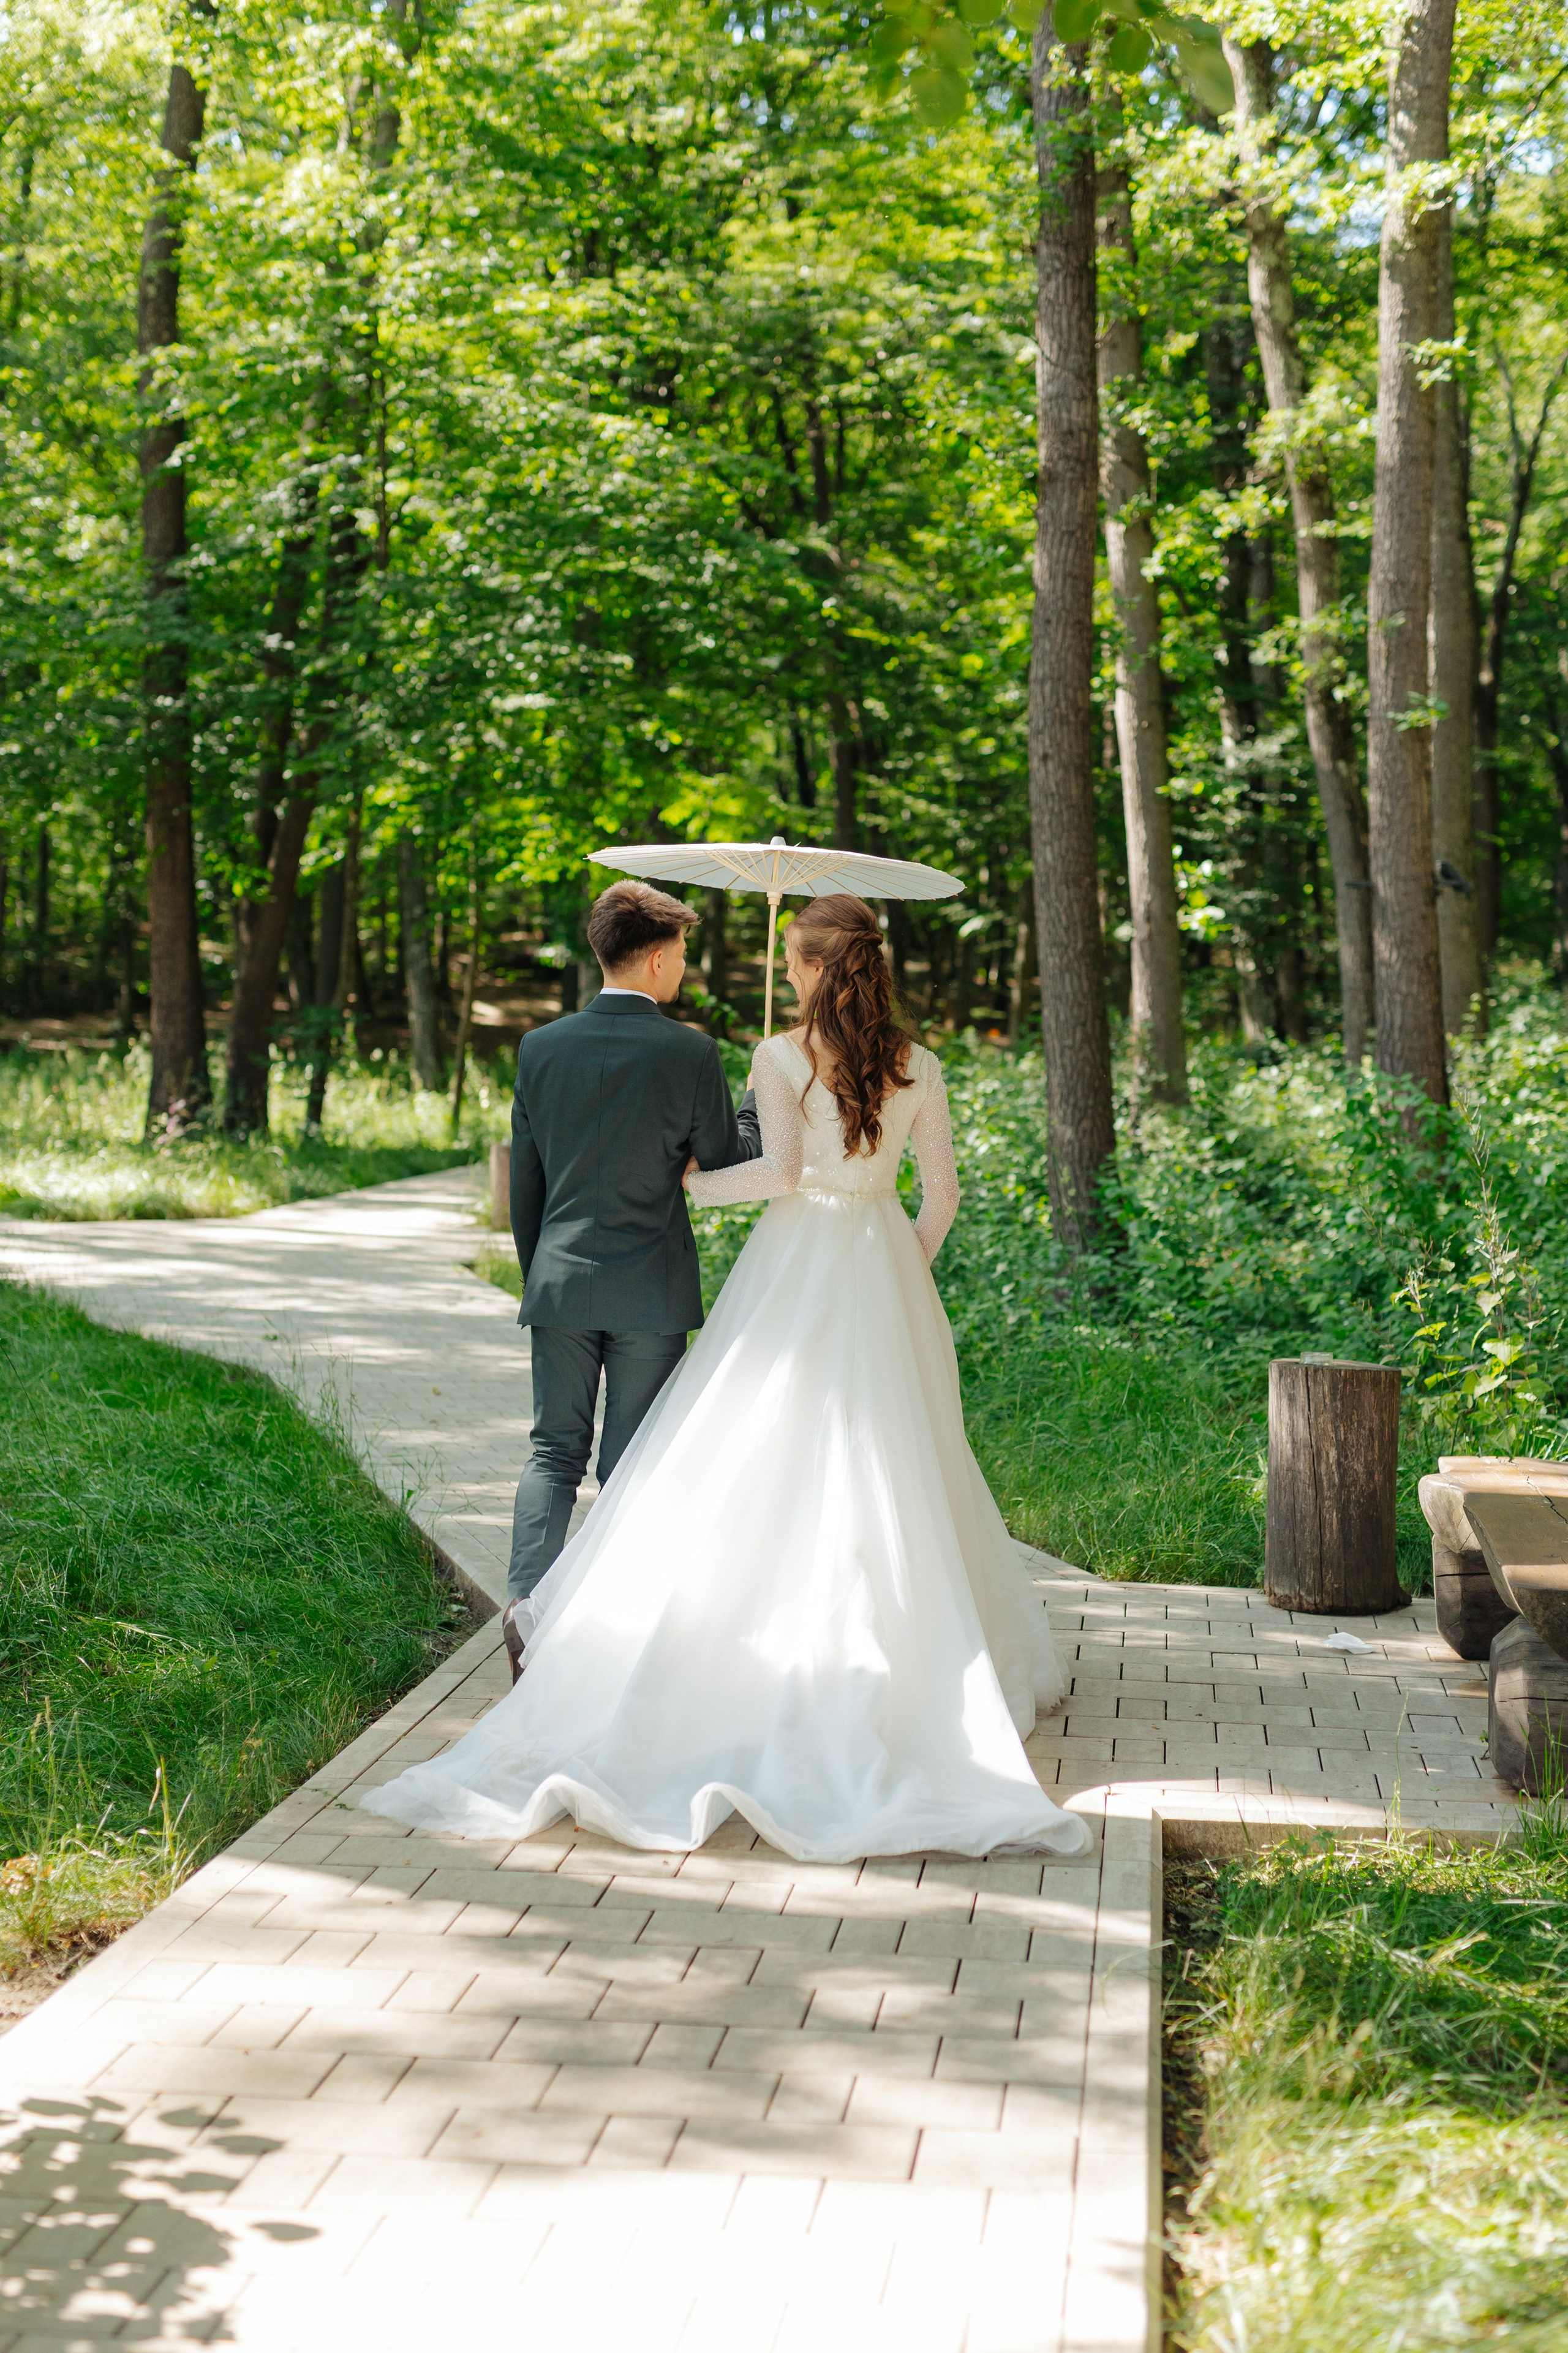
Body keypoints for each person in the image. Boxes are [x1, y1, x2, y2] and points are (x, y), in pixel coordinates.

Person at [366, 893, 1088, 1862]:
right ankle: (909, 1666)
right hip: (881, 1264)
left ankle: (634, 1633)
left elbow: (780, 1174)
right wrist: (902, 1269)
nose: (787, 972)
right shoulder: (924, 1063)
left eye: (793, 959)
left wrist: (695, 1184)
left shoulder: (779, 1055)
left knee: (749, 1451)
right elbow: (943, 1197)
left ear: (819, 965)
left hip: (792, 1265)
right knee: (899, 1464)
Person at [499, 879, 761, 1672]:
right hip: (651, 1290)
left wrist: (541, 1271)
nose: (684, 967)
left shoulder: (539, 1049)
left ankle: (525, 1609)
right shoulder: (690, 1053)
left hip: (561, 1281)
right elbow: (721, 1156)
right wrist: (752, 1103)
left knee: (553, 1452)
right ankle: (605, 1632)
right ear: (653, 959)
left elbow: (526, 1187)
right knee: (632, 1464)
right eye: (681, 954)